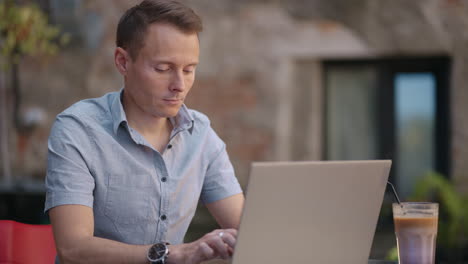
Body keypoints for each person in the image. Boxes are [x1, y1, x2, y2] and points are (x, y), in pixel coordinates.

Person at [44, 1, 245, 263]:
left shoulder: (201, 134)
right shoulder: (78, 130)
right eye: (163, 69)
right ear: (123, 62)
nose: (179, 85)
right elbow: (73, 248)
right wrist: (172, 253)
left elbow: (247, 227)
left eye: (189, 69)